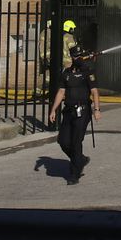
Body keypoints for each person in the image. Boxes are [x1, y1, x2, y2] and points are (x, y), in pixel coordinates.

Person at [47, 46, 101, 185]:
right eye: (75, 56)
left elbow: (94, 92)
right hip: (69, 111)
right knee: (63, 141)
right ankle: (80, 159)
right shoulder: (66, 73)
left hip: (83, 111)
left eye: (79, 56)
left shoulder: (88, 71)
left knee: (76, 142)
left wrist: (97, 109)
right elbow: (61, 92)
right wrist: (53, 110)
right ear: (71, 57)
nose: (78, 59)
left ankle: (74, 174)